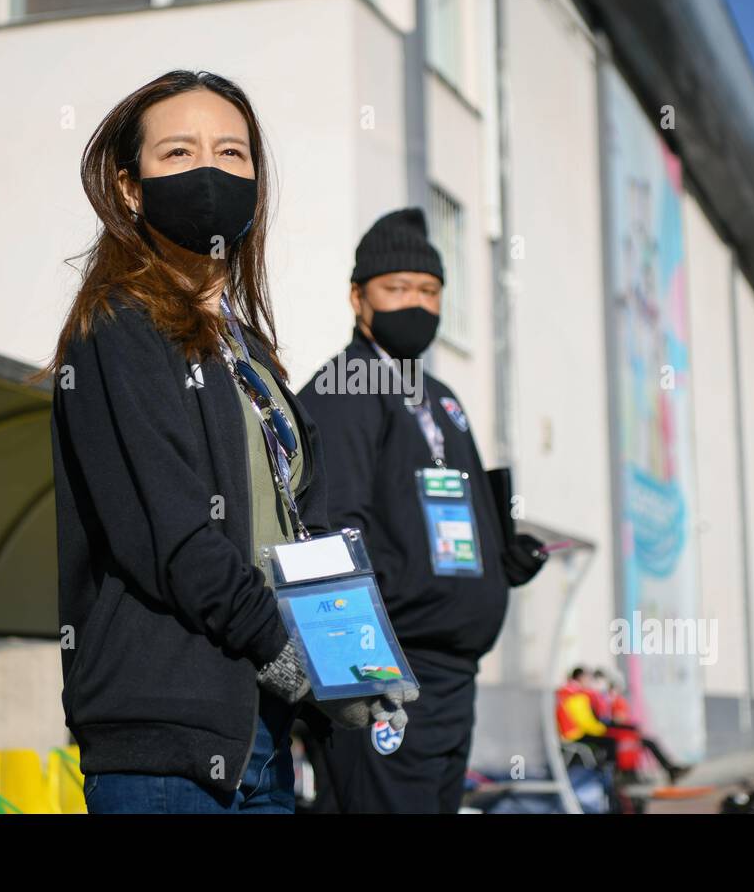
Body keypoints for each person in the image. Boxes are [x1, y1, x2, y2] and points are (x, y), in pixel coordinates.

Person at [45, 70, 412, 814]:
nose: (211, 170)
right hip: (163, 743)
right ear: (129, 187)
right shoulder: (119, 326)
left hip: (260, 734)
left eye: (233, 153)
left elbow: (297, 531)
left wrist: (352, 660)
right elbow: (173, 538)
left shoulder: (249, 353)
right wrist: (293, 654)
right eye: (179, 153)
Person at [298, 207, 549, 813]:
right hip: (387, 675)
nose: (416, 302)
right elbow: (328, 529)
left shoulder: (440, 398)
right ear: (359, 299)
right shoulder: (342, 389)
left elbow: (445, 517)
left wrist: (500, 560)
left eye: (430, 290)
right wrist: (363, 667)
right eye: (398, 288)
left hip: (453, 677)